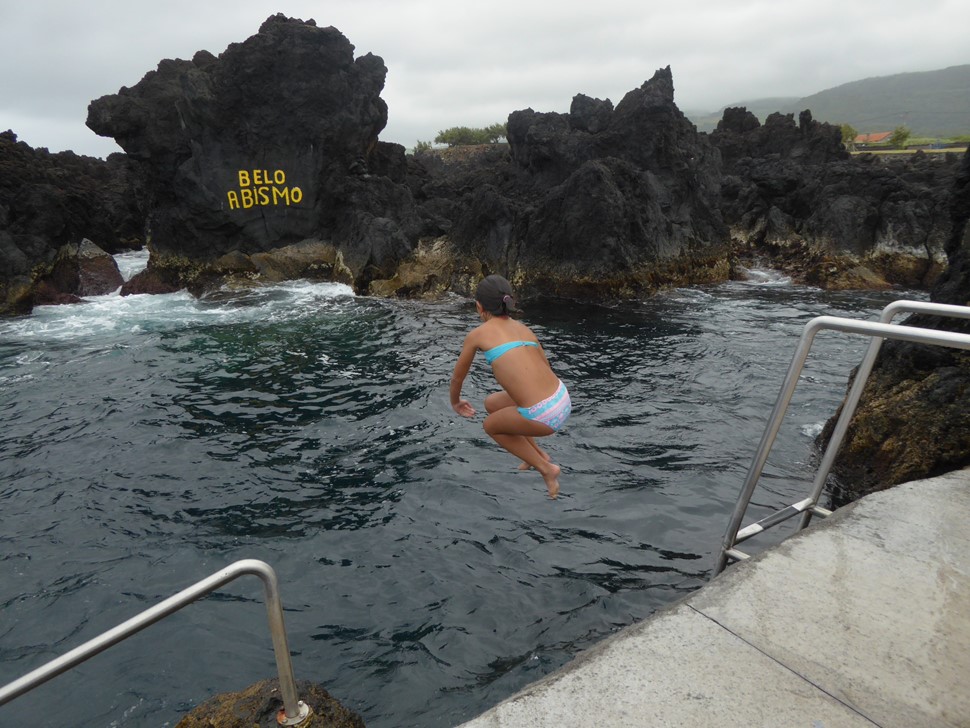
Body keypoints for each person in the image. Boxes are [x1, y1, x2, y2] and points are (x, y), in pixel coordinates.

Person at [450, 274, 572, 498]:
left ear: (479, 307)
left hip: (544, 415)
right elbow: (544, 366)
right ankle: (538, 455)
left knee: (490, 426)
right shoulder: (523, 328)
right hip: (562, 397)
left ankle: (547, 469)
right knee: (492, 403)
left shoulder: (477, 335)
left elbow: (458, 378)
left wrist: (456, 402)